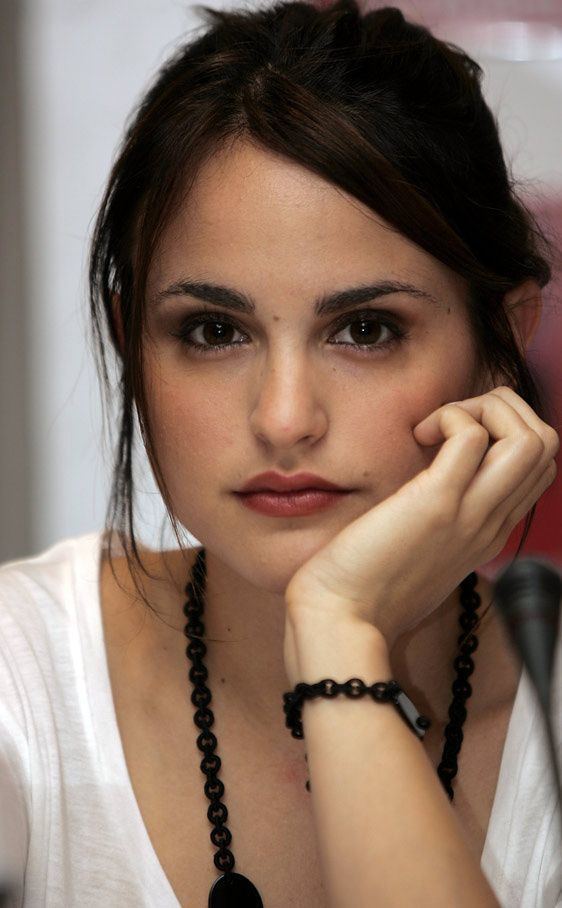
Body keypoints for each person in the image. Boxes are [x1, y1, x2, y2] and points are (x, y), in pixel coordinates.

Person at [0, 0, 560, 905]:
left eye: (366, 329)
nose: (285, 418)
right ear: (128, 340)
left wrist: (339, 635)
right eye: (214, 330)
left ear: (502, 337)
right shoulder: (17, 680)